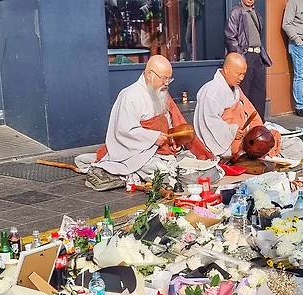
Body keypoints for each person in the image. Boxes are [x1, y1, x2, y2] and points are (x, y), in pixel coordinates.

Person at [78, 55, 214, 192]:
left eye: (169, 79)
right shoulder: (130, 96)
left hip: (161, 149)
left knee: (199, 164)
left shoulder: (161, 94)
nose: (167, 83)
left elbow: (168, 124)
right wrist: (154, 138)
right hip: (138, 153)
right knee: (167, 171)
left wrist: (173, 141)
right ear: (150, 75)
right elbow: (125, 131)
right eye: (164, 78)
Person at [194, 53, 281, 159]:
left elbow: (250, 111)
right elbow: (209, 122)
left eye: (244, 74)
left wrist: (260, 131)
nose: (241, 78)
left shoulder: (236, 89)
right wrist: (232, 131)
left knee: (274, 139)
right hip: (226, 142)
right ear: (226, 69)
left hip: (244, 136)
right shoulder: (211, 91)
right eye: (238, 74)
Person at [225, 0, 271, 119]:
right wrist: (240, 57)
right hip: (245, 55)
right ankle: (243, 122)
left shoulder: (256, 13)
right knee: (244, 92)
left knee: (259, 93)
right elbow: (230, 37)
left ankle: (259, 122)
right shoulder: (236, 12)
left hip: (257, 56)